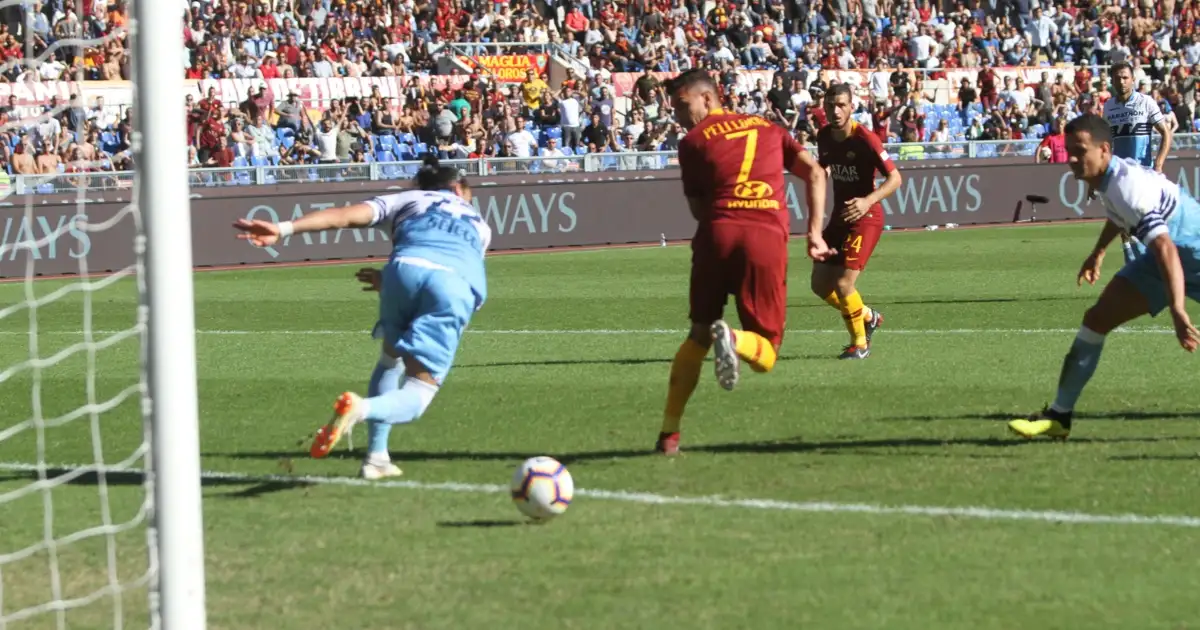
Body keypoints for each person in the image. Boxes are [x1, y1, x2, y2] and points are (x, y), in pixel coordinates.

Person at [233, 156, 491, 478]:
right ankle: (362, 409)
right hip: (452, 282)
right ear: (457, 188)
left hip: (403, 270)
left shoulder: (407, 199)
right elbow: (457, 268)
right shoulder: (480, 226)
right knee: (418, 393)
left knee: (389, 360)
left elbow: (343, 217)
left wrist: (283, 229)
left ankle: (376, 459)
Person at [655, 69, 831, 456]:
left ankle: (669, 434)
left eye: (683, 105)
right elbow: (816, 173)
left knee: (698, 334)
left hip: (717, 232)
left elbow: (699, 208)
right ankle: (733, 339)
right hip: (765, 237)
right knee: (765, 354)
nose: (679, 115)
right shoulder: (769, 128)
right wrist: (815, 232)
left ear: (707, 98)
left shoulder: (693, 142)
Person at [1009, 114, 1200, 440]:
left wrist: (1178, 310)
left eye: (1080, 150)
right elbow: (1123, 219)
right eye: (1068, 150)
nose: (1071, 158)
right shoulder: (1106, 180)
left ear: (1104, 150)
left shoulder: (1126, 186)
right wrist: (1098, 252)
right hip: (1159, 261)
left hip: (1190, 254)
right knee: (1096, 319)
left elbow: (1166, 246)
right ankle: (1059, 415)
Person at [813, 83, 903, 359]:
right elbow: (824, 169)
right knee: (819, 285)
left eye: (841, 105)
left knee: (843, 284)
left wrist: (867, 201)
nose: (835, 111)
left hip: (867, 217)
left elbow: (896, 179)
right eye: (830, 105)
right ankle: (867, 316)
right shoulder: (825, 136)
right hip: (841, 216)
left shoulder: (865, 138)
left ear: (852, 106)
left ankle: (860, 344)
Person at [1104, 62, 1174, 262]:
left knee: (1143, 224)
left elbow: (1166, 133)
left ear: (1132, 79)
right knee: (1125, 224)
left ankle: (1148, 266)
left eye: (1125, 77)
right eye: (1117, 78)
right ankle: (1134, 267)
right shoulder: (1108, 107)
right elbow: (1106, 142)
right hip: (1119, 174)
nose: (1122, 81)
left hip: (1143, 174)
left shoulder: (1146, 102)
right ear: (1112, 81)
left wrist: (1159, 163)